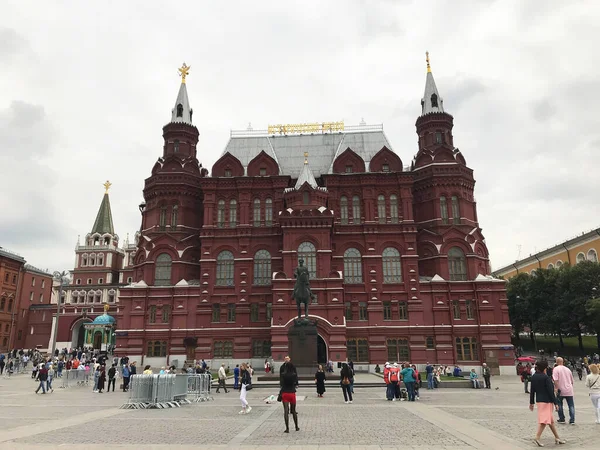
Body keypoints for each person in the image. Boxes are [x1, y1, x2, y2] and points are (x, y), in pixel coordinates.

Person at [529, 360, 565, 446]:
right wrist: (556, 403)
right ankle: (537, 437)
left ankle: (557, 437)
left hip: (539, 401)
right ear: (545, 368)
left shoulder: (534, 377)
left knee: (550, 421)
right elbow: (550, 392)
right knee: (544, 421)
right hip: (547, 401)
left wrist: (531, 402)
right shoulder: (546, 378)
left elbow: (532, 391)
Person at [552, 357, 575, 425]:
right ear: (563, 362)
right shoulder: (568, 369)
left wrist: (556, 388)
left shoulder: (556, 369)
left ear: (556, 362)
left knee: (559, 404)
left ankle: (562, 418)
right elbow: (572, 381)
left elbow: (555, 380)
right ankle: (572, 420)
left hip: (560, 389)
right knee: (571, 405)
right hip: (569, 389)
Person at [281, 361, 300, 433]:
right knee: (293, 411)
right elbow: (295, 383)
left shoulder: (283, 374)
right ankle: (296, 427)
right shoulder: (294, 375)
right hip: (292, 393)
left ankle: (287, 428)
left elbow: (282, 384)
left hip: (285, 393)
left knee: (286, 411)